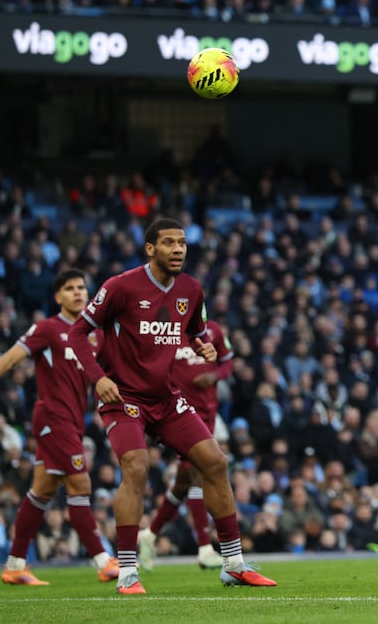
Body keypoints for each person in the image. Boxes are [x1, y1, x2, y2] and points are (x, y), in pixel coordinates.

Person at [67, 217, 276, 594]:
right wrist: (98, 378)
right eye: (168, 243)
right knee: (137, 466)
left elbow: (195, 331)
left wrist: (203, 347)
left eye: (181, 243)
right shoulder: (120, 286)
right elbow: (78, 332)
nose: (178, 249)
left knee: (215, 462)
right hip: (123, 396)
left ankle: (233, 564)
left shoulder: (190, 289)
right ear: (150, 249)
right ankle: (127, 572)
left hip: (165, 397)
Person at [0, 269, 119, 586]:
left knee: (42, 492)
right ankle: (103, 561)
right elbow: (11, 358)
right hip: (53, 419)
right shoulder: (48, 329)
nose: (78, 292)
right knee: (80, 485)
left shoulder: (94, 335)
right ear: (58, 297)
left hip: (73, 421)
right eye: (70, 288)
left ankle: (15, 565)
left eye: (81, 287)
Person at [139, 320, 235, 570]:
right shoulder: (168, 332)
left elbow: (228, 363)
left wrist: (214, 375)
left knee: (183, 484)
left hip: (209, 413)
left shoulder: (214, 330)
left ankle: (149, 534)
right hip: (181, 416)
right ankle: (204, 548)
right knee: (197, 473)